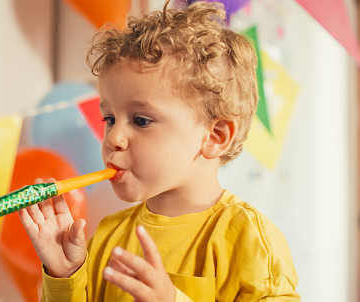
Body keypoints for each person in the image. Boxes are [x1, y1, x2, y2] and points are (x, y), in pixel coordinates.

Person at [18, 1, 300, 301]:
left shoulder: (250, 239)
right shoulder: (106, 236)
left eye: (140, 120)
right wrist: (65, 276)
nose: (114, 137)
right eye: (109, 119)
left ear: (215, 136)